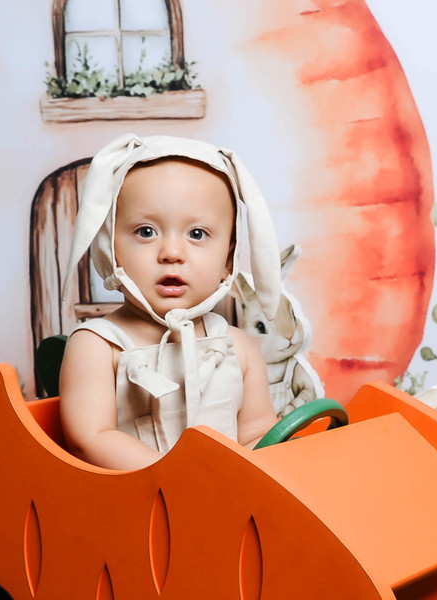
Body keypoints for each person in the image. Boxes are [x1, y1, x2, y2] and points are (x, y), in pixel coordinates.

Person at [59, 135, 282, 470]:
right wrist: (177, 483)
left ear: (228, 258)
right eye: (146, 232)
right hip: (136, 499)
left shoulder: (239, 348)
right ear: (110, 248)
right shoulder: (97, 345)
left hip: (222, 495)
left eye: (197, 234)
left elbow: (257, 436)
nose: (172, 253)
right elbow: (90, 439)